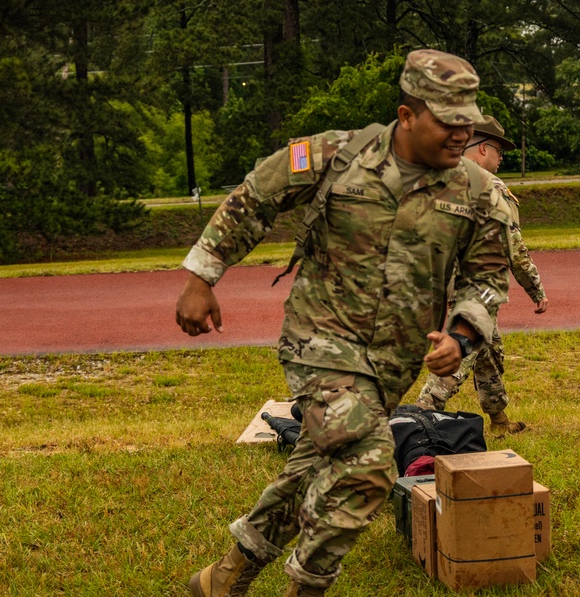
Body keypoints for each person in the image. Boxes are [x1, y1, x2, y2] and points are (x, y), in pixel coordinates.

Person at [174, 49, 513, 597]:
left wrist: (461, 334)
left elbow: (488, 279)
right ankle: (306, 587)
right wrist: (202, 277)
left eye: (467, 122)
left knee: (313, 465)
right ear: (407, 116)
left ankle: (223, 578)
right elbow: (255, 197)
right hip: (319, 343)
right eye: (448, 121)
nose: (461, 134)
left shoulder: (476, 191)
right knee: (371, 465)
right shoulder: (337, 154)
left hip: (391, 364)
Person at [414, 115, 548, 435]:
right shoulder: (489, 186)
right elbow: (512, 247)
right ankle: (421, 415)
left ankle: (499, 422)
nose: (501, 159)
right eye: (500, 151)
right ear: (483, 148)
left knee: (489, 352)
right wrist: (536, 289)